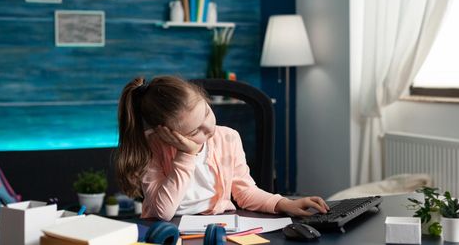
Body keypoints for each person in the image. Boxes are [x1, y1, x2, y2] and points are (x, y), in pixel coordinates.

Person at [116, 75, 329, 221]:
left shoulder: (228, 138)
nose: (209, 128)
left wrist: (284, 203)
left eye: (207, 113)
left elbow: (245, 192)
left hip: (219, 227)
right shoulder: (151, 147)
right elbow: (162, 212)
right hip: (169, 232)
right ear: (165, 133)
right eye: (193, 131)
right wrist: (186, 153)